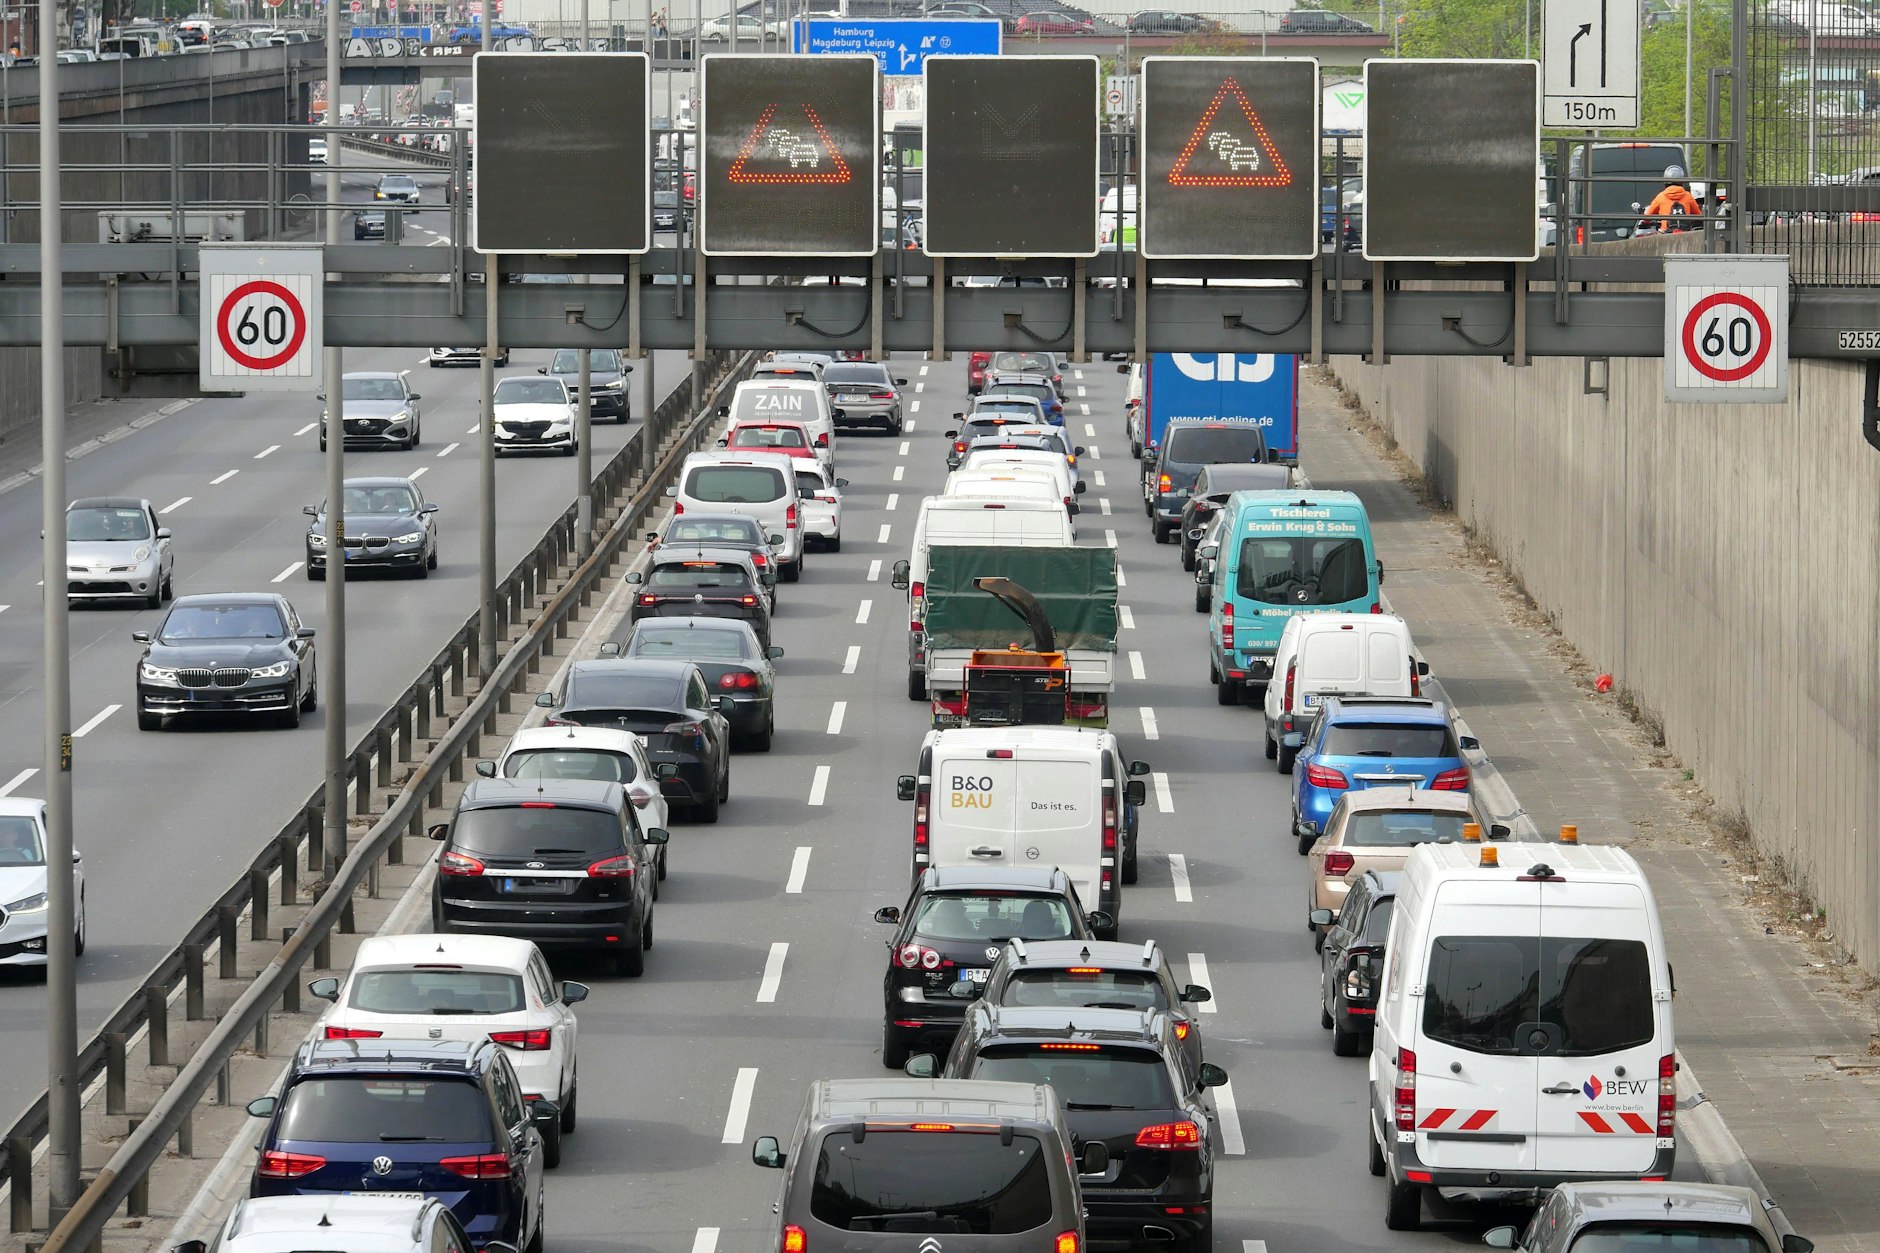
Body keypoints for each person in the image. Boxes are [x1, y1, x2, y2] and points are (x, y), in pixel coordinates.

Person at [1641, 165, 1701, 233]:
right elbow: (1698, 215)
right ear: (1682, 181)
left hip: (1666, 231)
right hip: (1684, 232)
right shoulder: (1688, 196)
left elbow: (1648, 215)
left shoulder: (1661, 196)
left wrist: (1644, 223)